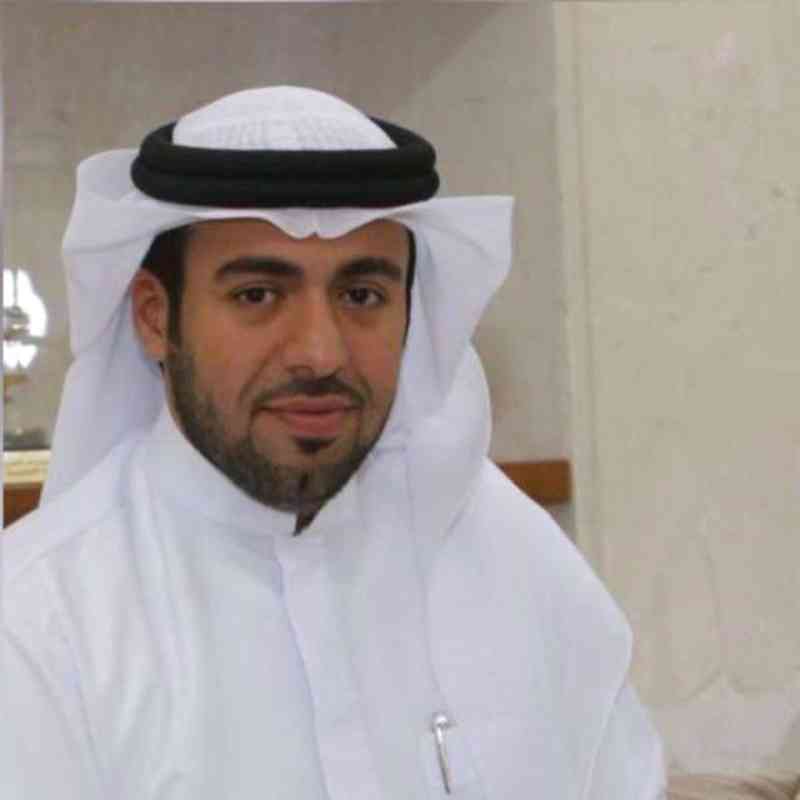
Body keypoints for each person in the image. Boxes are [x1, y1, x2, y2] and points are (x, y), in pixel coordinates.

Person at [2, 86, 665, 799]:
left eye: (361, 296)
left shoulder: (520, 565)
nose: (320, 353)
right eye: (258, 295)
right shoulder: (41, 621)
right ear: (155, 317)